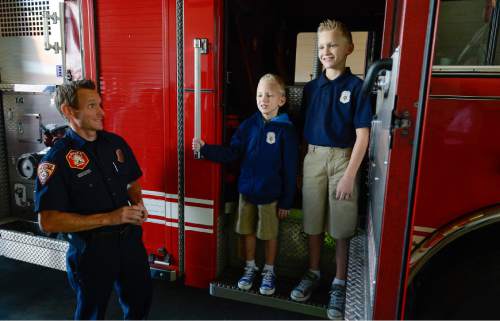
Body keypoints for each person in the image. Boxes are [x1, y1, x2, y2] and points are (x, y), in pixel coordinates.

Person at [34, 79, 152, 320]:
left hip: (129, 243)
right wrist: (111, 218)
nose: (102, 112)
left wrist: (138, 204)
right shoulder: (56, 160)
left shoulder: (115, 144)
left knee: (140, 303)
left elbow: (131, 181)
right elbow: (48, 221)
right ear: (68, 111)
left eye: (99, 104)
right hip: (92, 251)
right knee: (92, 313)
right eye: (91, 106)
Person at [289, 19, 372, 320]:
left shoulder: (358, 87)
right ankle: (312, 272)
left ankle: (339, 281)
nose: (326, 51)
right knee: (312, 221)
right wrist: (300, 168)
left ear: (349, 48)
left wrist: (350, 175)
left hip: (343, 161)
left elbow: (363, 135)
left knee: (340, 226)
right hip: (312, 158)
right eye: (322, 46)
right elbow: (302, 133)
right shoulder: (311, 88)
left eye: (333, 44)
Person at [192, 74, 298, 296]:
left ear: (281, 100)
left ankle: (269, 271)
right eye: (260, 94)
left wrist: (287, 200)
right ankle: (250, 268)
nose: (263, 99)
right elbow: (233, 152)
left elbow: (290, 169)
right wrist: (206, 149)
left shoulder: (286, 130)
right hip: (247, 192)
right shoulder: (249, 125)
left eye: (269, 95)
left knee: (269, 233)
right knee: (246, 230)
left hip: (270, 194)